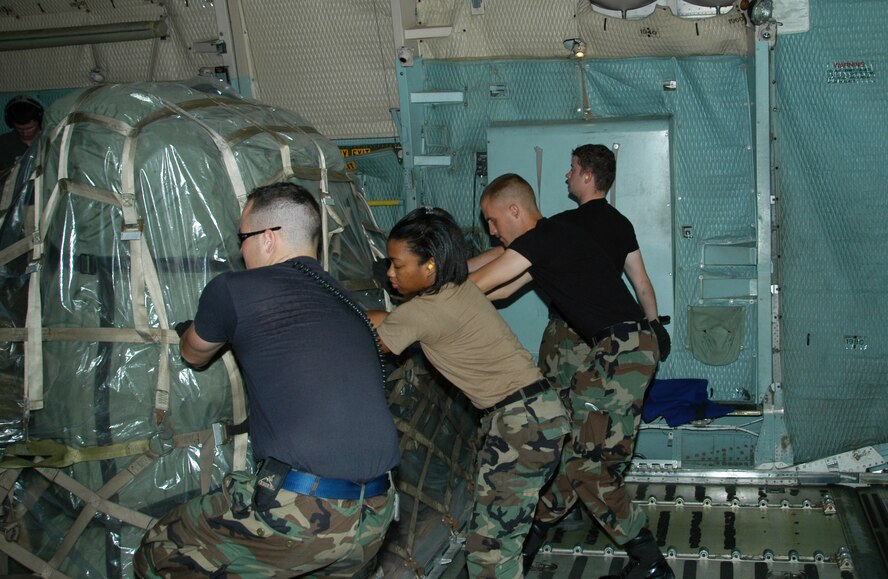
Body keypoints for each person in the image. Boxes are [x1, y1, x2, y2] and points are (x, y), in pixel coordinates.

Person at [134, 182, 401, 578]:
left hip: (305, 513)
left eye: (243, 238)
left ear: (269, 238)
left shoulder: (233, 289)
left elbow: (193, 353)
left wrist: (196, 326)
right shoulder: (348, 304)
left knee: (159, 548)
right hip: (378, 510)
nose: (240, 250)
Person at [470, 145, 673, 579]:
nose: (491, 231)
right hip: (623, 347)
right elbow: (502, 289)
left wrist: (427, 289)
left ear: (514, 211)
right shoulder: (560, 237)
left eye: (494, 221)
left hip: (619, 350)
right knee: (576, 452)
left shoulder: (548, 235)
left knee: (588, 465)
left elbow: (484, 280)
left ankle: (650, 563)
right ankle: (533, 539)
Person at [368, 207, 570, 579]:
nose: (390, 274)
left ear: (429, 265)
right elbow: (393, 322)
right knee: (499, 540)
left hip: (519, 425)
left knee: (491, 553)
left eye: (397, 265)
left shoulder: (423, 312)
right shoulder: (456, 289)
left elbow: (378, 337)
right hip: (537, 414)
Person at [0, 96, 43, 186]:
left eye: (30, 128)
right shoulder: (3, 143)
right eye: (19, 129)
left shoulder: (50, 140)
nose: (25, 133)